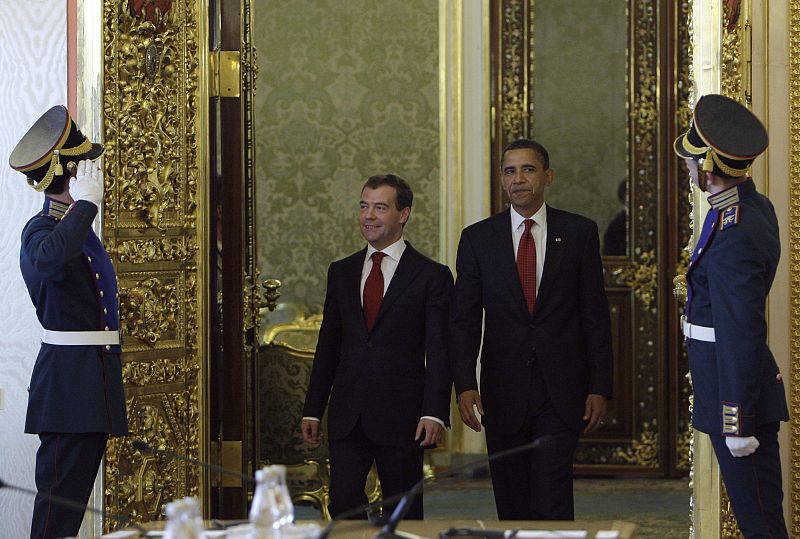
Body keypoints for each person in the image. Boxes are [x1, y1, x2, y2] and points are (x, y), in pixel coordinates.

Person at [450, 138, 613, 520]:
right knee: (511, 495)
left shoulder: (578, 233)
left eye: (528, 169)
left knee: (552, 492)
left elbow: (595, 316)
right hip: (503, 388)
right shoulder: (478, 239)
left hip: (561, 387)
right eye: (510, 171)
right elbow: (464, 320)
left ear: (547, 176)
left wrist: (599, 385)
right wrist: (465, 384)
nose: (518, 179)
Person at [300, 174, 453, 520]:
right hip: (348, 415)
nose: (368, 215)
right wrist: (313, 408)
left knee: (402, 511)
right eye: (364, 206)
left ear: (404, 214)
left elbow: (440, 350)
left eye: (380, 207)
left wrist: (434, 412)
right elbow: (329, 345)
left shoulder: (431, 276)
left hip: (403, 416)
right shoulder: (341, 272)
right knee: (343, 506)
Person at [10, 105, 128, 538]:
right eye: (82, 166)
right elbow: (47, 261)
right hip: (67, 388)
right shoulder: (41, 230)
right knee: (56, 511)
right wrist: (85, 208)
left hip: (91, 384)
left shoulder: (76, 229)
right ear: (70, 172)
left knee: (70, 510)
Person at [674, 93, 789, 538]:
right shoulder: (743, 208)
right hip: (729, 386)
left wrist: (735, 418)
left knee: (760, 523)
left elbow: (740, 330)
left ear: (707, 167)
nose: (688, 169)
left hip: (737, 397)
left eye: (692, 161)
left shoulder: (735, 228)